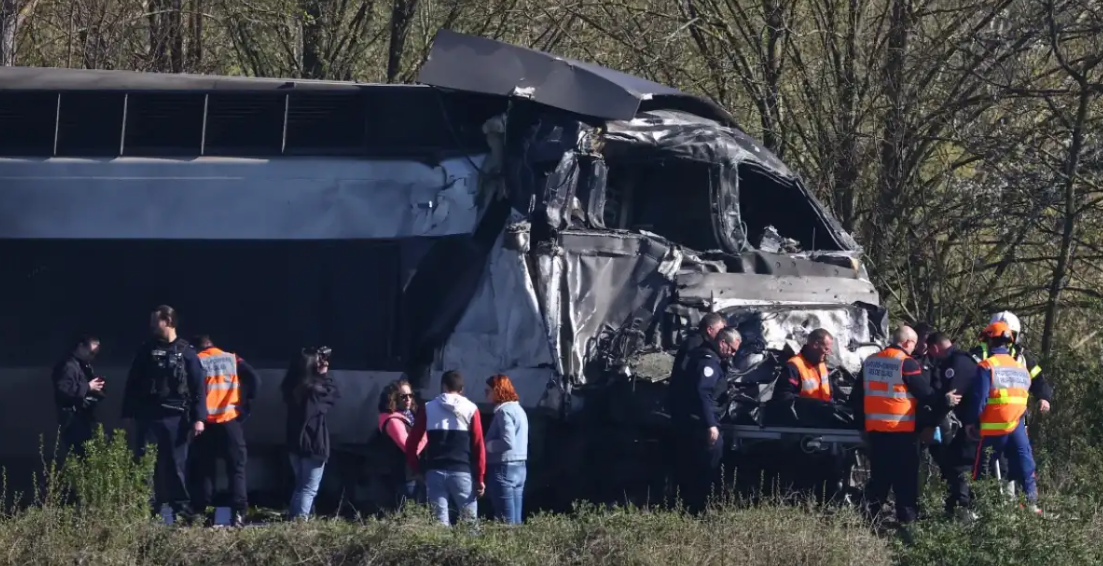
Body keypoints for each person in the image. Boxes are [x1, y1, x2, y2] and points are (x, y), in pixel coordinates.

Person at [851, 325, 960, 525]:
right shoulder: (905, 363)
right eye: (914, 344)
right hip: (901, 432)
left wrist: (862, 427)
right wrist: (944, 401)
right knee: (906, 481)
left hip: (876, 432)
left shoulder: (871, 361)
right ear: (907, 342)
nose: (915, 348)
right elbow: (925, 394)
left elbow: (856, 398)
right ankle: (908, 524)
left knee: (879, 478)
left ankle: (868, 520)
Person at [121, 305, 207, 524]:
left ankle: (181, 511)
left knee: (176, 466)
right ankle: (145, 511)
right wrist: (128, 413)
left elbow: (198, 387)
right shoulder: (146, 350)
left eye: (155, 321)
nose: (152, 325)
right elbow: (132, 383)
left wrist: (199, 418)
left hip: (176, 418)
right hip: (148, 416)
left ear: (168, 321)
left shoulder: (186, 352)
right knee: (145, 465)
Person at [964, 321, 1041, 514]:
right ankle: (1031, 504)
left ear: (989, 341)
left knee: (982, 468)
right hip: (1017, 425)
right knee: (1025, 464)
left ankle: (977, 509)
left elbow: (979, 400)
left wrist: (972, 423)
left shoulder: (987, 366)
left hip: (993, 428)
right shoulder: (1020, 368)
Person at [187, 335, 260, 528]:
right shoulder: (232, 358)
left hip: (205, 424)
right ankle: (238, 514)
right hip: (229, 421)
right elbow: (254, 380)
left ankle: (201, 513)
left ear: (197, 348)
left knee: (204, 470)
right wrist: (243, 407)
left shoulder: (196, 360)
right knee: (236, 468)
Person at [668, 327, 742, 514]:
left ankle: (694, 507)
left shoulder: (712, 359)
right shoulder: (708, 362)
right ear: (722, 343)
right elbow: (703, 394)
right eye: (732, 349)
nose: (733, 354)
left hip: (702, 421)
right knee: (706, 467)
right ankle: (699, 509)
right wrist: (711, 425)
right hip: (702, 423)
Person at [405, 370, 486, 526]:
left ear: (443, 386)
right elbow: (478, 445)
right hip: (461, 471)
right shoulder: (471, 409)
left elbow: (412, 442)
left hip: (434, 472)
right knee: (470, 523)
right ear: (461, 389)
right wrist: (480, 477)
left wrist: (417, 468)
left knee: (439, 524)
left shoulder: (428, 408)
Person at [281, 346, 340, 520]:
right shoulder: (315, 392)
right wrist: (324, 375)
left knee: (300, 486)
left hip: (295, 442)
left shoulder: (292, 387)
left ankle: (293, 520)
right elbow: (333, 393)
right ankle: (300, 522)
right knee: (309, 488)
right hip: (313, 442)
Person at [925, 331, 980, 519]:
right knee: (955, 462)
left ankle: (964, 510)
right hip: (974, 423)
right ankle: (956, 508)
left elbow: (952, 399)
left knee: (959, 464)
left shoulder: (956, 363)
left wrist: (931, 425)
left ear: (934, 348)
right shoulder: (961, 359)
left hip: (973, 424)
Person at [969, 311, 1052, 414]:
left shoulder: (1022, 358)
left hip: (1018, 416)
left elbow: (1039, 380)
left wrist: (1044, 397)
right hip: (987, 416)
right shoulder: (978, 355)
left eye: (1009, 333)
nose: (1004, 337)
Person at [52, 335, 106, 462]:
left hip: (83, 417)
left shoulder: (83, 366)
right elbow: (64, 390)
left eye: (95, 354)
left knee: (87, 456)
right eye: (91, 352)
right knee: (79, 456)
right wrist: (88, 387)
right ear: (81, 347)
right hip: (72, 419)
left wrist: (97, 390)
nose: (92, 357)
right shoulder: (68, 366)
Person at [484, 374, 529, 524]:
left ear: (497, 391)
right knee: (516, 519)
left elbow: (508, 442)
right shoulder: (519, 410)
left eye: (488, 391)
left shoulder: (503, 411)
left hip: (503, 467)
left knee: (505, 520)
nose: (486, 395)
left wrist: (487, 445)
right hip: (520, 466)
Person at [377, 378, 427, 509]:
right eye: (403, 396)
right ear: (393, 398)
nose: (408, 399)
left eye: (410, 395)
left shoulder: (409, 416)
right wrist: (426, 435)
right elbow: (409, 448)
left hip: (413, 474)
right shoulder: (393, 421)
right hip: (405, 477)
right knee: (410, 510)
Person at [775, 329, 836, 423]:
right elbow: (784, 398)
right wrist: (813, 405)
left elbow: (830, 394)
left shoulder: (822, 365)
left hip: (824, 420)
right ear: (815, 345)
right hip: (803, 423)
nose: (828, 353)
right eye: (826, 349)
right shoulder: (794, 366)